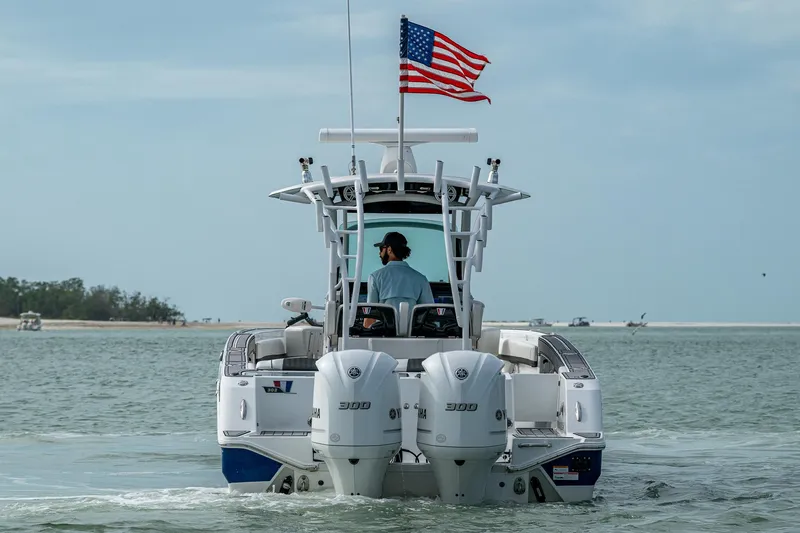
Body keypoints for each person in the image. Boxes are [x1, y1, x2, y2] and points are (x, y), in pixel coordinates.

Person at [366, 231, 434, 315]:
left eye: (381, 249)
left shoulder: (375, 277)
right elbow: (428, 313)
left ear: (389, 249)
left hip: (383, 328)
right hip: (413, 328)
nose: (379, 253)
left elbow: (370, 315)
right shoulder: (421, 279)